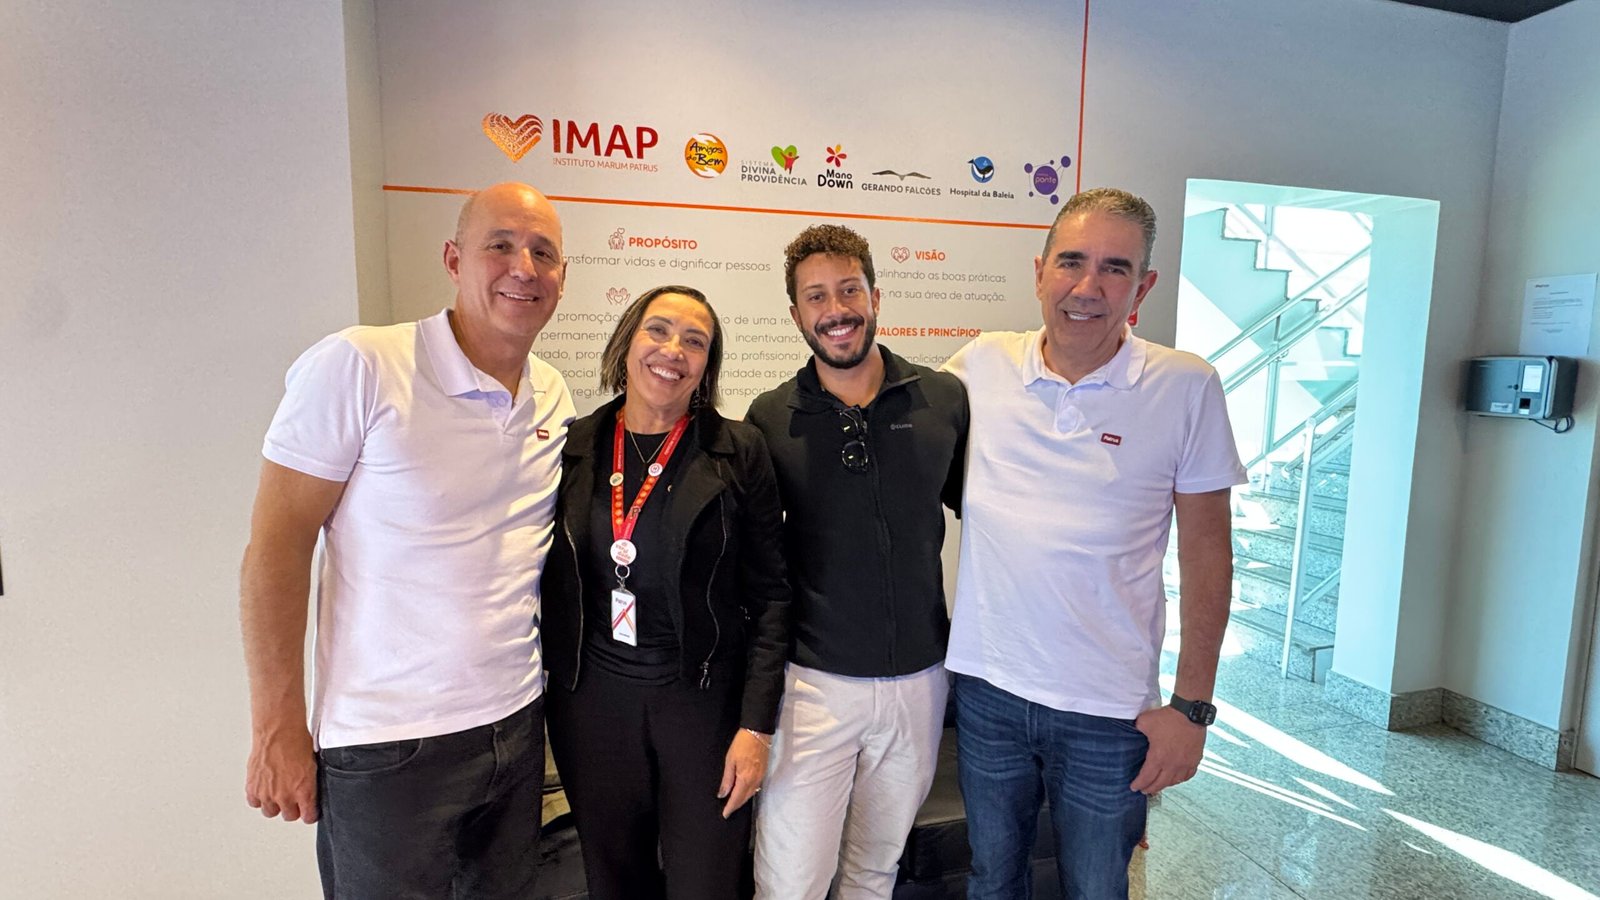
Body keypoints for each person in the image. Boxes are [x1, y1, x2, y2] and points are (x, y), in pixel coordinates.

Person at [239, 182, 574, 899]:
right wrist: (276, 728)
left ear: (561, 277)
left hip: (516, 728)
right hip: (387, 747)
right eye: (500, 245)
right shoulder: (360, 365)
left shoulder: (551, 392)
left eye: (542, 252)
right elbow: (276, 547)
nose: (523, 267)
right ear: (454, 259)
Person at [942, 187, 1246, 899]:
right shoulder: (982, 365)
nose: (1087, 287)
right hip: (987, 692)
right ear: (1039, 271)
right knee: (992, 882)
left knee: (1097, 888)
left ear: (1144, 286)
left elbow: (1209, 557)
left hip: (1110, 713)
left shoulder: (1185, 386)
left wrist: (1192, 709)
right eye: (1072, 261)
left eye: (1115, 268)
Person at [540, 284, 790, 900]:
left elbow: (773, 598)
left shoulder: (738, 452)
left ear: (707, 366)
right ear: (627, 342)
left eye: (694, 341)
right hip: (593, 707)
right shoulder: (575, 447)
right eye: (658, 330)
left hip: (702, 709)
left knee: (707, 883)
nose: (673, 350)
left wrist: (756, 728)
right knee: (615, 882)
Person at [747, 225, 968, 899]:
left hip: (920, 682)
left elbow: (992, 519)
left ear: (875, 296)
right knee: (791, 883)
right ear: (796, 314)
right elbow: (757, 567)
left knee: (874, 874)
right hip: (814, 686)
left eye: (849, 290)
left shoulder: (942, 400)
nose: (836, 309)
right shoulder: (770, 419)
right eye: (816, 296)